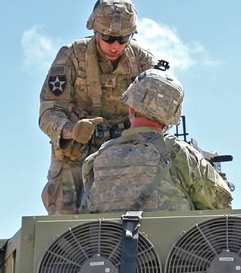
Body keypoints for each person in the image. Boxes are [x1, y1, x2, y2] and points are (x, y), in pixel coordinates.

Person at [39, 0, 163, 215]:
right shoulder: (71, 56)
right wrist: (71, 130)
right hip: (76, 152)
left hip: (127, 149)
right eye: (108, 37)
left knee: (136, 215)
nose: (116, 45)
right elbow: (49, 112)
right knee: (63, 221)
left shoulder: (143, 61)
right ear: (95, 31)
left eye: (123, 39)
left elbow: (160, 113)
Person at [80, 69, 233, 213]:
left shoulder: (95, 160)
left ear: (131, 108)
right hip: (173, 242)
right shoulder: (180, 154)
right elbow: (221, 208)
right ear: (172, 116)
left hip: (107, 241)